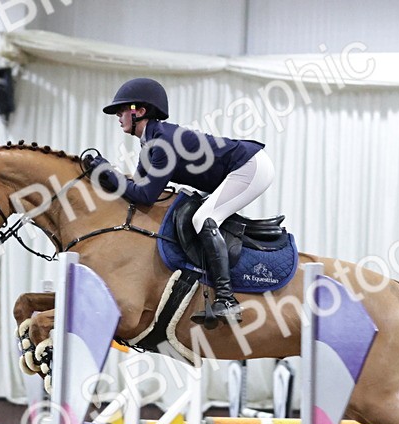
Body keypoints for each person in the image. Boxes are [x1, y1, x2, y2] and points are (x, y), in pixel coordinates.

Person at [84, 78, 275, 325]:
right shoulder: (150, 143)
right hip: (239, 168)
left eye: (122, 110)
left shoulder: (162, 142)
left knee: (204, 218)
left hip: (250, 166)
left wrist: (108, 172)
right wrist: (106, 175)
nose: (118, 116)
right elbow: (138, 189)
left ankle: (227, 300)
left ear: (139, 111)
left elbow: (145, 195)